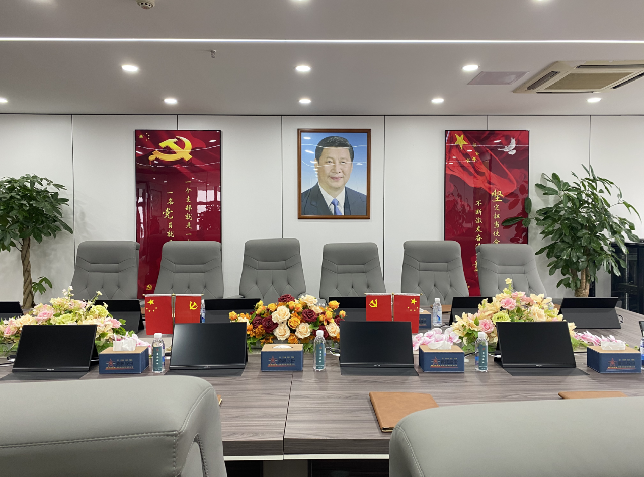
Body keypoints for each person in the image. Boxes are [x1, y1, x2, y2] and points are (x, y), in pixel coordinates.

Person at [300, 136, 367, 216]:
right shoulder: (299, 204)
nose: (337, 170)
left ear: (351, 166)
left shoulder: (365, 202)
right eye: (329, 162)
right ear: (316, 164)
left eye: (343, 162)